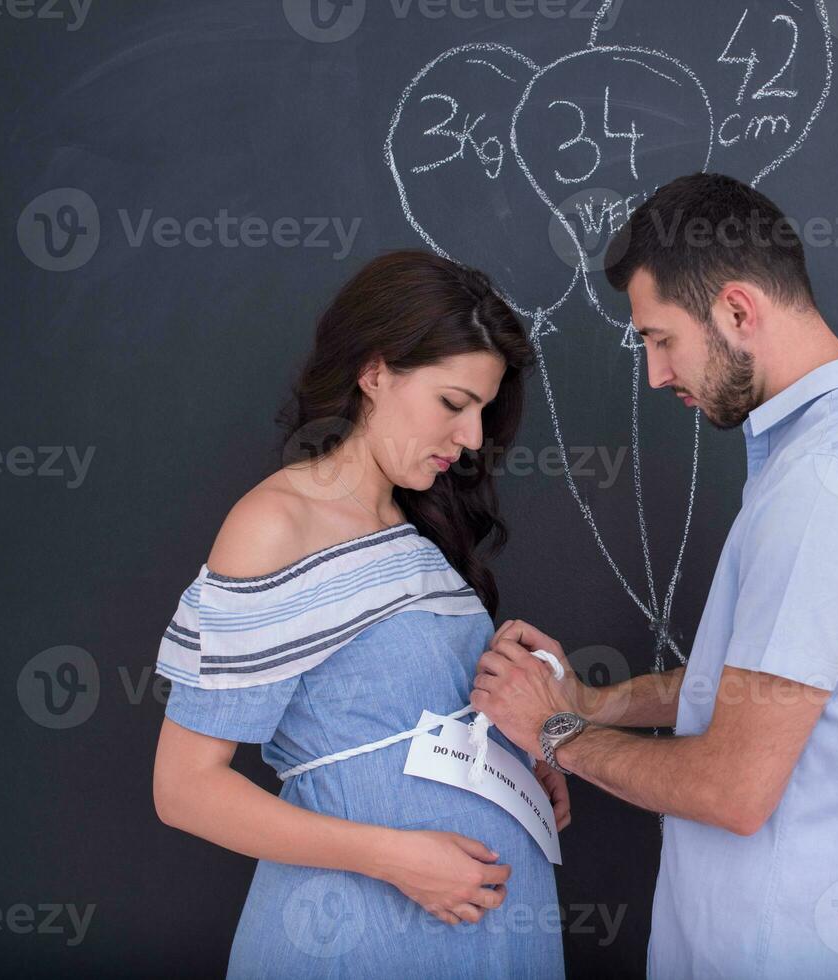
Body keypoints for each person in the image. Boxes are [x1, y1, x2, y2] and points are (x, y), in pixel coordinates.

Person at [471, 172, 838, 979]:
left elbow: (734, 788)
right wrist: (592, 702)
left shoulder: (825, 484)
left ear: (736, 310)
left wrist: (552, 733)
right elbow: (766, 689)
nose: (657, 375)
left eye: (660, 339)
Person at [151, 250, 568, 978]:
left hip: (487, 928)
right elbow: (185, 789)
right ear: (374, 372)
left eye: (482, 410)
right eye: (452, 403)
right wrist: (395, 857)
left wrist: (522, 750)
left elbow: (394, 720)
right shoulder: (276, 524)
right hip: (358, 929)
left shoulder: (416, 529)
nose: (472, 438)